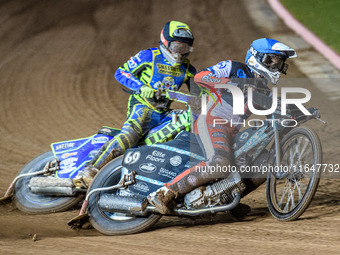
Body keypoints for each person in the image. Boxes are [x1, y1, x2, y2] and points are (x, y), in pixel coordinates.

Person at [148, 38, 299, 214]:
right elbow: (200, 77)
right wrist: (230, 83)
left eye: (279, 63)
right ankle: (164, 193)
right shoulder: (234, 67)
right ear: (257, 57)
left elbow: (275, 116)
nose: (276, 66)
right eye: (272, 61)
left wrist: (299, 112)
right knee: (220, 163)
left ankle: (228, 198)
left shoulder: (263, 91)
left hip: (231, 133)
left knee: (265, 162)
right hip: (211, 121)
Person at [73, 21, 196, 189]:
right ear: (165, 42)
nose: (179, 53)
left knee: (188, 124)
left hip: (164, 112)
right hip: (143, 106)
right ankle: (90, 170)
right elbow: (121, 72)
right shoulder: (149, 56)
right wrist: (141, 87)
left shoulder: (188, 68)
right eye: (176, 46)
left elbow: (200, 90)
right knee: (131, 134)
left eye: (184, 48)